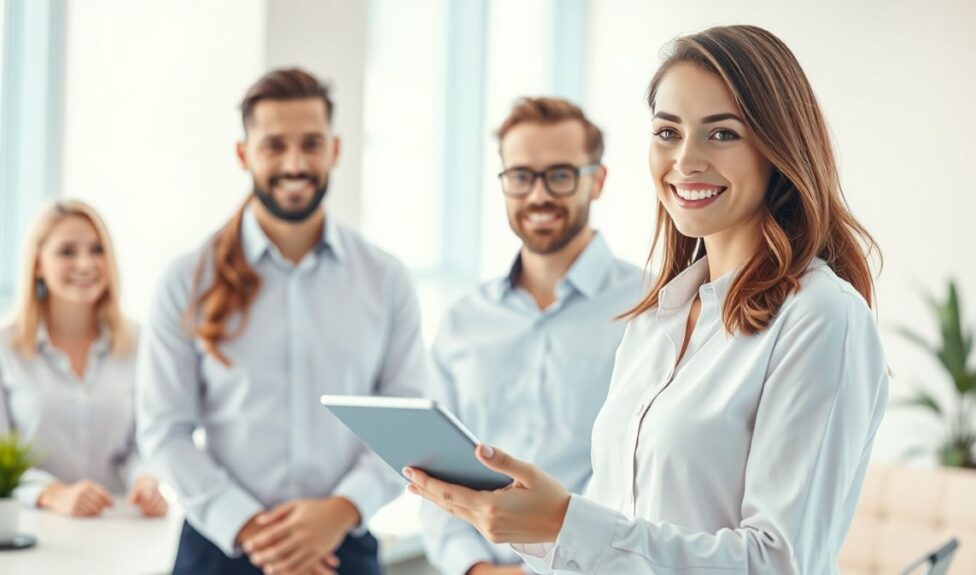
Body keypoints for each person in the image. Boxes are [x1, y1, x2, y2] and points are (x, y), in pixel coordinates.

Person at [407, 25, 888, 574]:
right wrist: (534, 534)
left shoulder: (821, 316)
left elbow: (778, 563)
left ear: (778, 148)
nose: (685, 160)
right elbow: (621, 539)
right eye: (667, 132)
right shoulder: (656, 317)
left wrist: (563, 522)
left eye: (722, 134)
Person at [136, 68, 427, 575]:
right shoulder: (187, 279)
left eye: (310, 144)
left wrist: (339, 512)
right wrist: (254, 530)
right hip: (219, 547)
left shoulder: (385, 279)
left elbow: (405, 422)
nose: (295, 163)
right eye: (274, 146)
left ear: (334, 150)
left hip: (341, 548)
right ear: (243, 154)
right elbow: (164, 429)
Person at [421, 97, 642, 575]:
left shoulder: (651, 309)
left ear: (596, 180)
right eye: (521, 177)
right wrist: (475, 568)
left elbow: (650, 477)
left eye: (560, 175)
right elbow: (432, 472)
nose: (538, 195)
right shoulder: (463, 321)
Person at [0, 200, 167, 518]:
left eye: (97, 249)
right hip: (35, 528)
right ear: (37, 263)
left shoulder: (140, 343)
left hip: (120, 524)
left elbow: (146, 440)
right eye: (67, 252)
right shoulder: (5, 348)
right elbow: (1, 459)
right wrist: (51, 494)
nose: (86, 264)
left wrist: (145, 479)